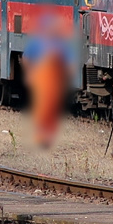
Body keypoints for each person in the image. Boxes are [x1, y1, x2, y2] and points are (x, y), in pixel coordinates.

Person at [22, 14, 71, 148]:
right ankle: (41, 136)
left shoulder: (60, 43)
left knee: (52, 109)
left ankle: (48, 136)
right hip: (41, 81)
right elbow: (26, 58)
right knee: (42, 108)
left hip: (55, 83)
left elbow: (68, 63)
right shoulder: (37, 42)